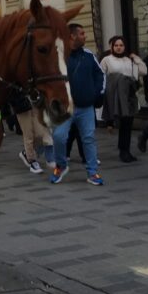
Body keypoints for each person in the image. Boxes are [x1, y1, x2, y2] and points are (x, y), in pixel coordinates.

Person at [49, 23, 106, 186]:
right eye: (82, 33)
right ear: (72, 36)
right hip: (64, 108)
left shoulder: (88, 55)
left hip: (86, 107)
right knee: (59, 137)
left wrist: (96, 93)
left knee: (88, 139)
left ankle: (92, 172)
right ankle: (61, 166)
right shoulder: (57, 56)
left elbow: (100, 75)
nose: (85, 36)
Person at [100, 35, 147, 163]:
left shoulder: (129, 60)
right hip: (114, 96)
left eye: (121, 45)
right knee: (122, 123)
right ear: (112, 47)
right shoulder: (107, 60)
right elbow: (101, 76)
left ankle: (125, 150)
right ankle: (123, 150)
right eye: (116, 45)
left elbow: (143, 71)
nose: (119, 48)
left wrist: (136, 58)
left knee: (127, 124)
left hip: (129, 95)